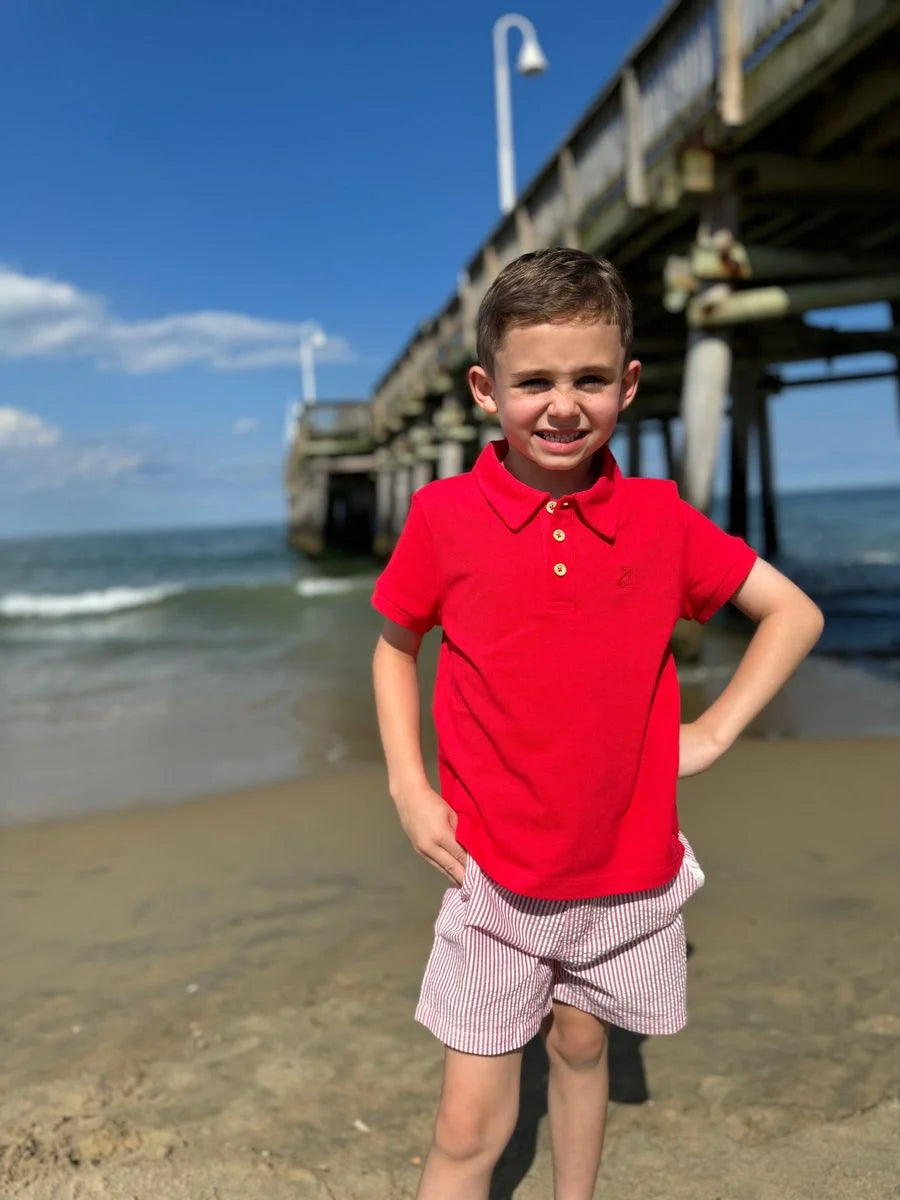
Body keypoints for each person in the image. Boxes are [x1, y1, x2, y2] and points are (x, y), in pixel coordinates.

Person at [371, 248, 823, 1200]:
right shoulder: (445, 516)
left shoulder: (661, 519)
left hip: (627, 870)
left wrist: (713, 732)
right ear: (487, 391)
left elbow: (793, 613)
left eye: (588, 379)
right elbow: (394, 645)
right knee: (467, 1125)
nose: (562, 405)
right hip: (492, 869)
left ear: (627, 383)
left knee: (583, 1049)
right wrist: (411, 789)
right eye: (535, 381)